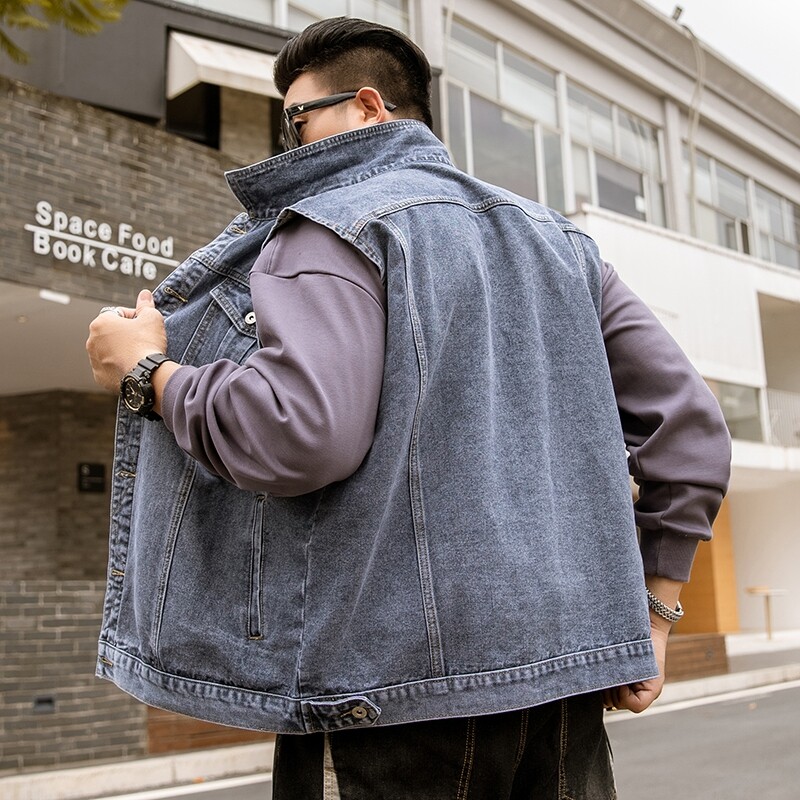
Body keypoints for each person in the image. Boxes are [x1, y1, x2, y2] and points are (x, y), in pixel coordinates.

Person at [86, 17, 731, 799]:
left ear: (367, 107)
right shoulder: (563, 245)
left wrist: (150, 374)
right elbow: (690, 432)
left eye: (297, 119)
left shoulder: (326, 226)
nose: (289, 147)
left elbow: (299, 435)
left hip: (387, 696)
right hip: (563, 683)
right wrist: (655, 616)